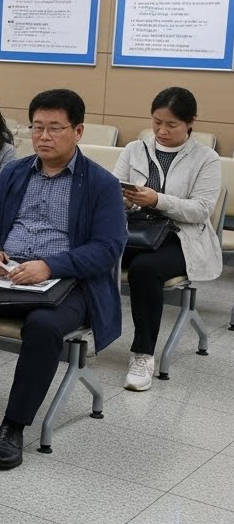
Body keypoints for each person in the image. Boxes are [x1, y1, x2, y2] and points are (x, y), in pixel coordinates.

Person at [0, 89, 126, 471]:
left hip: (69, 280)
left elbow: (108, 248)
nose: (44, 136)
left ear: (78, 131)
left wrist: (50, 266)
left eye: (55, 128)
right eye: (37, 127)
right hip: (8, 273)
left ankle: (13, 426)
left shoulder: (101, 184)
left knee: (44, 326)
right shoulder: (15, 172)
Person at [113, 88, 221, 391]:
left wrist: (157, 200)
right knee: (91, 252)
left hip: (180, 237)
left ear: (190, 122)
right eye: (157, 122)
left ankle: (142, 354)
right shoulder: (135, 149)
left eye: (171, 125)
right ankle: (75, 331)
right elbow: (112, 192)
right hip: (135, 230)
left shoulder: (206, 158)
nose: (162, 131)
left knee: (145, 269)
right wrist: (126, 199)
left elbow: (201, 210)